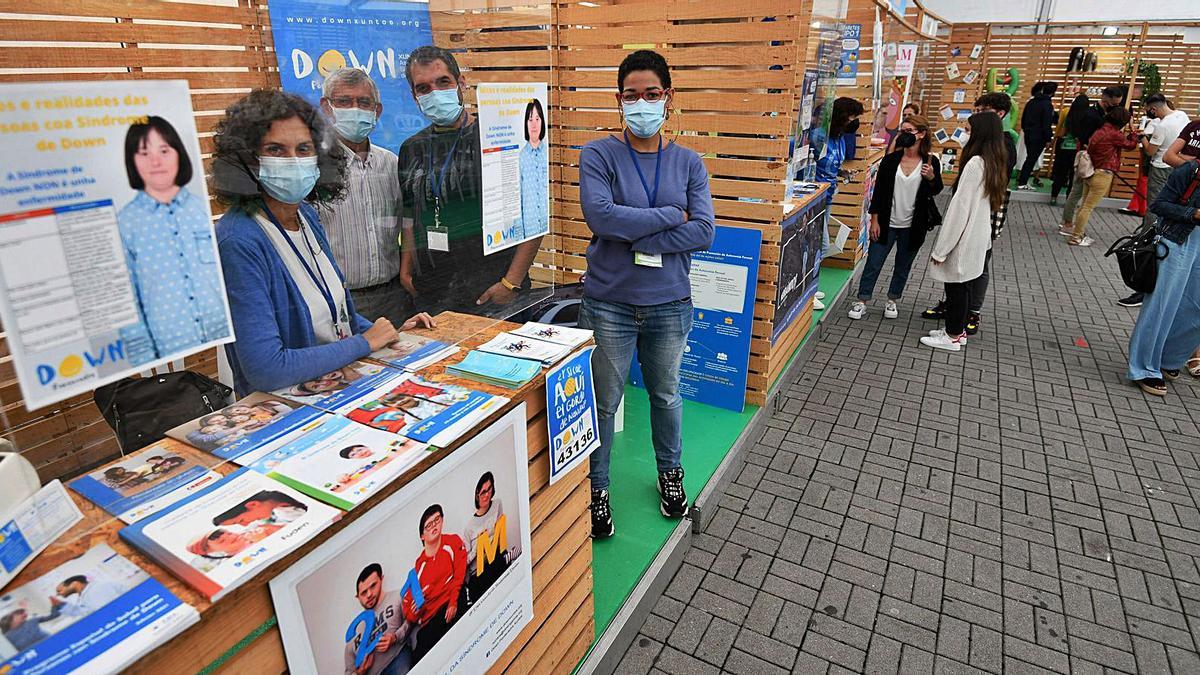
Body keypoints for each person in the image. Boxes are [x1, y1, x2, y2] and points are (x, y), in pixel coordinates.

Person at [210, 90, 434, 396]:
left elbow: (334, 315)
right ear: (247, 160)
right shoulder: (239, 239)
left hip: (335, 391)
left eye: (304, 149)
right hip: (287, 413)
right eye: (276, 150)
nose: (293, 161)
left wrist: (389, 335)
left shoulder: (305, 215)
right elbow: (266, 369)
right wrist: (365, 342)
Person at [576, 50, 715, 538]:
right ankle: (596, 489)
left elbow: (703, 232)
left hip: (669, 302)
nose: (641, 103)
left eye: (651, 94)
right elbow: (600, 217)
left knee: (666, 394)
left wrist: (635, 233)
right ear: (619, 100)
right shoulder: (598, 154)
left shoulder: (688, 163)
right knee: (604, 403)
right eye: (631, 95)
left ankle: (670, 474)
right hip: (609, 302)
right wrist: (667, 217)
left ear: (667, 98)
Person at [397, 45, 544, 316]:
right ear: (414, 96)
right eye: (424, 88)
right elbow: (409, 215)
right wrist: (407, 273)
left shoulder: (501, 137)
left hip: (495, 292)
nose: (435, 93)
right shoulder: (411, 148)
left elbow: (535, 215)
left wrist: (510, 283)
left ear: (461, 83)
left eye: (443, 82)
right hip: (432, 296)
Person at [117, 116, 231, 366]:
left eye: (164, 150)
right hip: (163, 349)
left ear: (178, 154)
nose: (156, 161)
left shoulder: (200, 210)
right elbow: (127, 302)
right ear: (132, 161)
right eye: (144, 152)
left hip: (222, 337)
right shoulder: (126, 223)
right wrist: (144, 356)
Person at [921, 92, 1017, 336]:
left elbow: (959, 210)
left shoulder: (976, 164)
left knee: (957, 285)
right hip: (977, 233)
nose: (965, 132)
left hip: (964, 235)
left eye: (969, 128)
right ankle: (957, 331)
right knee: (963, 284)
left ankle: (953, 334)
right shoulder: (992, 160)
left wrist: (941, 250)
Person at [317, 68, 407, 327]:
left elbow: (408, 225)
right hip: (338, 300)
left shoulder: (391, 163)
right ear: (327, 107)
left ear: (377, 111)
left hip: (392, 296)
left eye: (363, 102)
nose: (354, 109)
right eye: (344, 101)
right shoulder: (314, 167)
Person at [849, 115, 943, 321]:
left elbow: (936, 189)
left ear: (921, 134)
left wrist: (931, 177)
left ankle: (892, 299)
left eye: (909, 131)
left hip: (913, 224)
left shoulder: (930, 161)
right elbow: (879, 192)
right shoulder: (891, 160)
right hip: (886, 222)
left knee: (903, 264)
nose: (904, 135)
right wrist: (874, 220)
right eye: (902, 131)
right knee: (874, 262)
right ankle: (862, 300)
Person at [1126, 159, 1200, 396]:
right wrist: (1194, 213)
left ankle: (1169, 357)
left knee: (1195, 307)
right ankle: (1144, 368)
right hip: (1178, 239)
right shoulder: (1192, 169)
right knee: (1161, 305)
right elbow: (1159, 205)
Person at [1115, 95, 1192, 308]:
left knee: (1155, 210)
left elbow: (1154, 153)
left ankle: (1147, 243)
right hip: (1180, 174)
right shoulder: (1183, 117)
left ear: (1153, 110)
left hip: (1160, 169)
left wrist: (1142, 138)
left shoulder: (1162, 127)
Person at [401, 505, 467, 664]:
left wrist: (452, 602)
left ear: (442, 521)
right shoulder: (418, 567)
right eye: (429, 525)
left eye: (437, 520)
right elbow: (409, 611)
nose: (434, 526)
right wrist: (415, 611)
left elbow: (460, 574)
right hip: (430, 622)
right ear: (422, 536)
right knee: (422, 645)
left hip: (453, 601)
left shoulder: (453, 542)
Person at [1063, 106, 1137, 247]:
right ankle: (1076, 237)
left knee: (1084, 205)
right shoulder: (1115, 134)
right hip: (1103, 174)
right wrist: (1133, 131)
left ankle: (1079, 233)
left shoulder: (1099, 131)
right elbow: (1130, 145)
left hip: (1091, 171)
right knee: (1088, 207)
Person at [1060, 85, 1126, 234]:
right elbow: (1083, 137)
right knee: (1077, 191)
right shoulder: (1091, 115)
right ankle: (1068, 223)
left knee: (1081, 194)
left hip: (1093, 159)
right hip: (1087, 158)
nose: (1115, 107)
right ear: (1104, 98)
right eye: (1114, 104)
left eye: (1118, 104)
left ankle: (1072, 224)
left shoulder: (1103, 115)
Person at [462, 472, 519, 605]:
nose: (486, 495)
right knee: (479, 583)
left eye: (489, 489)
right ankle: (506, 559)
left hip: (495, 556)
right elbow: (465, 563)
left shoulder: (497, 504)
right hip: (479, 571)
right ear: (477, 495)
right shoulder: (469, 528)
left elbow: (500, 533)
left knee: (501, 559)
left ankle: (504, 559)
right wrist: (477, 549)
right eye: (482, 492)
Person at [344, 563, 411, 675]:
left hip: (398, 658)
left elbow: (412, 621)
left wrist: (395, 637)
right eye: (364, 593)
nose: (369, 594)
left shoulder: (397, 597)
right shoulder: (353, 632)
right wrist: (360, 671)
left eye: (373, 586)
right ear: (358, 597)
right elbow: (348, 672)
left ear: (381, 579)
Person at [518, 98, 550, 241]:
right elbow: (518, 198)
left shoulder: (549, 154)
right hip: (529, 229)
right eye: (530, 120)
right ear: (525, 123)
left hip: (549, 226)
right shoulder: (521, 157)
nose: (534, 124)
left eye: (538, 118)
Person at [1050, 94, 1089, 205]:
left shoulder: (1068, 113)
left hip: (1063, 147)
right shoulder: (1086, 117)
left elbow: (1060, 131)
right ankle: (1068, 200)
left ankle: (1053, 197)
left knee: (1059, 173)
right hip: (1077, 151)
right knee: (1073, 176)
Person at [212, 489, 308, 527]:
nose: (245, 525)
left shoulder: (287, 491)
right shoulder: (283, 514)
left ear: (252, 504)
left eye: (241, 520)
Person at [50, 574, 125, 618]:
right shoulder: (86, 595)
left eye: (59, 590)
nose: (58, 594)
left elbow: (104, 614)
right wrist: (62, 605)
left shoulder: (96, 590)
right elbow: (86, 611)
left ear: (74, 584)